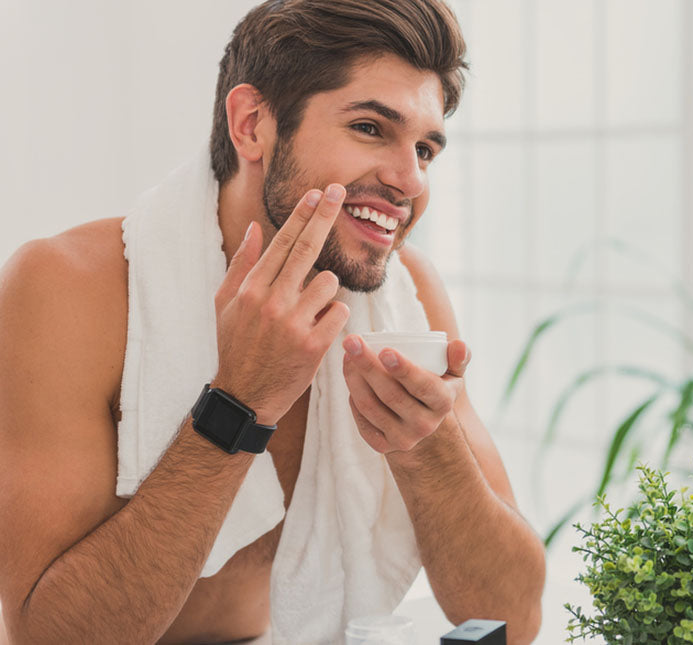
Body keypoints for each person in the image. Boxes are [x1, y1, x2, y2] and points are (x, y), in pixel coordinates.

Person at [0, 1, 546, 643]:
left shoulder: (408, 295)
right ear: (252, 124)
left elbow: (517, 616)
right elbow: (47, 636)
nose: (410, 180)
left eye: (425, 148)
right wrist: (238, 402)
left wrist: (430, 444)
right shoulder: (68, 289)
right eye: (371, 127)